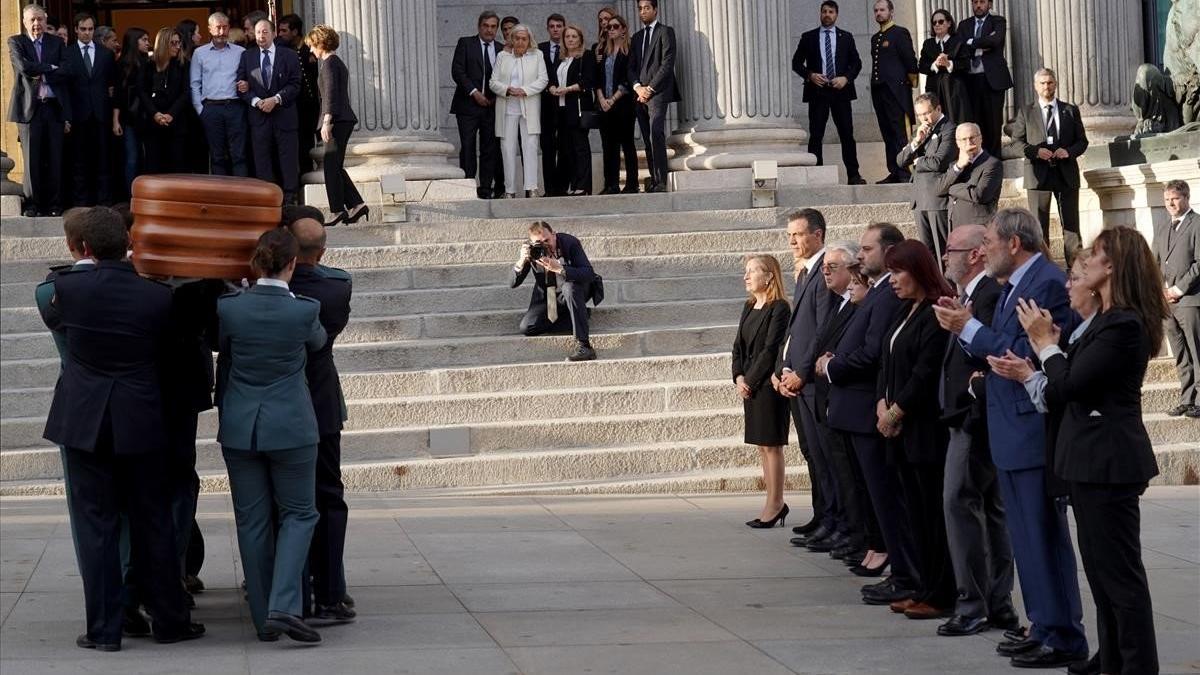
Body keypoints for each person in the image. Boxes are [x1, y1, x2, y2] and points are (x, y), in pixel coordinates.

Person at [41, 207, 204, 651]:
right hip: (141, 420)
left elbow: (54, 319)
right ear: (128, 244)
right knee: (153, 522)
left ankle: (104, 631)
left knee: (97, 529)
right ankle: (170, 620)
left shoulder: (66, 288)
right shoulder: (156, 297)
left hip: (85, 421)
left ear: (84, 249)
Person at [931, 208, 1088, 669]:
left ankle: (1062, 634)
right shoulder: (1015, 285)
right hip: (1010, 426)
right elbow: (1002, 344)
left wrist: (969, 328)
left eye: (992, 243)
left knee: (1042, 537)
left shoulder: (1042, 282)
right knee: (1025, 538)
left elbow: (1027, 350)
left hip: (1029, 428)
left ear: (1013, 243)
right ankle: (1042, 625)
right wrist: (969, 330)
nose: (987, 251)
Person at [1018, 228, 1167, 674]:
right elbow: (1072, 374)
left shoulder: (1123, 323)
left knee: (1120, 576)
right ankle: (1113, 657)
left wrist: (1046, 346)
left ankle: (1137, 666)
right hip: (1088, 458)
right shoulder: (1103, 319)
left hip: (1109, 459)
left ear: (1113, 266)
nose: (1084, 262)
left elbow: (1070, 385)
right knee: (1101, 574)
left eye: (1094, 256)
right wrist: (1050, 348)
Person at [216, 227, 325, 644]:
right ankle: (283, 604)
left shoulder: (230, 308)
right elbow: (316, 344)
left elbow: (225, 343)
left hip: (242, 426)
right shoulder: (304, 310)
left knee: (253, 521)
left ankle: (265, 620)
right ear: (293, 264)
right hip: (292, 425)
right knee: (299, 514)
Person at [817, 223, 920, 605]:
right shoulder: (877, 293)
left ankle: (904, 572)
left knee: (886, 497)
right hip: (859, 408)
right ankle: (898, 567)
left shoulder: (889, 295)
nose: (860, 257)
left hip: (868, 409)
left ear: (890, 251)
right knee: (873, 494)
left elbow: (875, 352)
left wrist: (833, 366)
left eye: (867, 249)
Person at [934, 224, 1016, 637]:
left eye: (951, 249)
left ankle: (972, 604)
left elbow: (992, 347)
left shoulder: (989, 294)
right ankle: (997, 603)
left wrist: (973, 386)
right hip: (972, 416)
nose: (944, 255)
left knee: (959, 503)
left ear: (975, 255)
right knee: (991, 510)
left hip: (975, 416)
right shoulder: (969, 295)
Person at [280, 207, 356, 624]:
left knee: (283, 501)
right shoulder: (337, 287)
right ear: (322, 252)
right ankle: (330, 590)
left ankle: (285, 586)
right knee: (328, 495)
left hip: (278, 403)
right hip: (321, 401)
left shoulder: (259, 292)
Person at [875, 240, 956, 620]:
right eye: (889, 272)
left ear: (919, 270)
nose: (892, 280)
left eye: (898, 272)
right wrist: (882, 404)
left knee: (931, 515)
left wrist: (896, 412)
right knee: (915, 516)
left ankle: (940, 592)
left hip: (923, 429)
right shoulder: (906, 310)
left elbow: (925, 372)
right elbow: (887, 362)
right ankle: (923, 585)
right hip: (899, 429)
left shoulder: (935, 311)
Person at [773, 210, 838, 549]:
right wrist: (784, 368)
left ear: (819, 235)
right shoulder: (803, 274)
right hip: (796, 379)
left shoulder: (825, 272)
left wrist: (801, 371)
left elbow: (823, 331)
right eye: (789, 236)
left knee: (825, 453)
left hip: (813, 382)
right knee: (811, 452)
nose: (792, 242)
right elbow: (796, 331)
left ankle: (834, 520)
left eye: (798, 235)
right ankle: (820, 515)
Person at [809, 244, 874, 572]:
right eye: (825, 266)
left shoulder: (862, 307)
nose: (828, 272)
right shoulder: (837, 302)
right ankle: (845, 527)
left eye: (835, 266)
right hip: (829, 398)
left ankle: (859, 534)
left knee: (853, 477)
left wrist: (832, 363)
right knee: (835, 470)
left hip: (850, 399)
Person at [1008, 68, 1090, 266]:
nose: (1047, 86)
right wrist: (1035, 152)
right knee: (1038, 228)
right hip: (1038, 176)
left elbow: (1082, 141)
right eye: (1043, 83)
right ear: (1036, 86)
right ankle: (1042, 270)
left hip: (1066, 174)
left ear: (1055, 84)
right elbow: (1016, 143)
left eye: (1050, 82)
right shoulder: (1026, 112)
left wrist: (1068, 152)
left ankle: (1076, 271)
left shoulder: (1070, 110)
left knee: (1071, 226)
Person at [734, 255, 792, 528]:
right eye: (745, 272)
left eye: (751, 272)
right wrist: (738, 377)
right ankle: (770, 502)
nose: (746, 277)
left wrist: (752, 380)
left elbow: (771, 349)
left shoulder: (779, 308)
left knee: (772, 446)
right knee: (762, 446)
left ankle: (776, 502)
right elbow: (738, 347)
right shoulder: (748, 306)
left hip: (767, 385)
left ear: (769, 276)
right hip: (750, 385)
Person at [8, 3, 72, 217]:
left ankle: (55, 205)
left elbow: (66, 70)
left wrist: (41, 71)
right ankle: (32, 205)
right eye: (32, 20)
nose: (37, 24)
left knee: (55, 159)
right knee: (32, 159)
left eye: (40, 19)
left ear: (46, 21)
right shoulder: (16, 41)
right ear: (25, 22)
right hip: (30, 109)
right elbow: (23, 67)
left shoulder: (56, 42)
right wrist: (49, 68)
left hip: (54, 108)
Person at [792, 1, 865, 185]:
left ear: (836, 15)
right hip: (818, 92)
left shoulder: (846, 37)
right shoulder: (808, 37)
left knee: (847, 134)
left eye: (830, 12)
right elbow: (796, 63)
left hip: (841, 92)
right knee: (816, 134)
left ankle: (853, 175)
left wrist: (845, 78)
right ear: (820, 14)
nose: (827, 14)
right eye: (824, 11)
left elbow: (857, 63)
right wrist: (810, 75)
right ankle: (817, 175)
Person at [307, 24, 368, 226]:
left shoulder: (330, 63)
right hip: (340, 120)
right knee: (335, 166)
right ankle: (356, 205)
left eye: (312, 45)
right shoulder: (334, 62)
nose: (310, 50)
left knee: (331, 167)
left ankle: (337, 210)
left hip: (336, 120)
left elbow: (331, 94)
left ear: (320, 43)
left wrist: (327, 121)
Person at [512, 221, 597, 361]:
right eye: (539, 242)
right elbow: (512, 284)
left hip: (575, 290)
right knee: (527, 327)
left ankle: (585, 346)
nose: (545, 245)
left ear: (554, 235)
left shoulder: (570, 243)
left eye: (547, 240)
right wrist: (521, 261)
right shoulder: (532, 251)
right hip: (550, 295)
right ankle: (578, 315)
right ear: (532, 243)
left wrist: (560, 269)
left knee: (570, 288)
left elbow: (588, 273)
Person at [237, 19, 302, 204]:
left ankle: (290, 199)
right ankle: (267, 200)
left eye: (265, 32)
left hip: (284, 116)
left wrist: (276, 99)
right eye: (257, 32)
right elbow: (241, 87)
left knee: (288, 160)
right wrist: (257, 102)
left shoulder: (289, 55)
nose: (261, 36)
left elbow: (296, 84)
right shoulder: (247, 57)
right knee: (262, 161)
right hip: (259, 118)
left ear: (273, 34)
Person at [1156, 180, 1200, 418]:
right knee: (1180, 353)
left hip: (1190, 299)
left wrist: (1178, 290)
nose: (1170, 204)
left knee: (1197, 350)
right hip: (1167, 304)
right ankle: (1187, 398)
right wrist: (1159, 292)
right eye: (1166, 200)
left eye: (1174, 198)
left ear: (1186, 197)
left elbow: (1199, 264)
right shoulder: (1163, 228)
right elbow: (1154, 263)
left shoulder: (1198, 224)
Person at [451, 12, 505, 200]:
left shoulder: (502, 49)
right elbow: (457, 71)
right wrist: (475, 92)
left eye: (493, 26)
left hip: (491, 106)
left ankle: (485, 188)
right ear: (479, 26)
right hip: (467, 105)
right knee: (468, 146)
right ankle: (468, 184)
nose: (489, 30)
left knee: (489, 147)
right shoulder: (465, 43)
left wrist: (497, 97)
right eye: (485, 26)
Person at [490, 24, 548, 199]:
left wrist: (524, 90)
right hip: (507, 108)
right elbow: (493, 82)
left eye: (524, 38)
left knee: (530, 147)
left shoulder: (537, 55)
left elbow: (543, 79)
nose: (520, 42)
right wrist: (508, 89)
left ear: (529, 40)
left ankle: (532, 188)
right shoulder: (502, 56)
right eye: (517, 38)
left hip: (528, 107)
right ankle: (510, 190)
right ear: (511, 40)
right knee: (507, 149)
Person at [896, 93, 956, 259]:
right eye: (920, 115)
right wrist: (916, 142)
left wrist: (917, 162)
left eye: (927, 113)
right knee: (927, 254)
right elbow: (900, 161)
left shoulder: (949, 128)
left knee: (942, 252)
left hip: (936, 199)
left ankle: (947, 285)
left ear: (938, 108)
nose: (924, 118)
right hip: (919, 199)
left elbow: (939, 162)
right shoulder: (920, 130)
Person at [629, 0, 679, 193]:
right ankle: (654, 178)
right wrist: (637, 88)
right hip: (639, 94)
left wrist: (649, 89)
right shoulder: (636, 37)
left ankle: (661, 180)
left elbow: (667, 63)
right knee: (646, 137)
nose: (643, 12)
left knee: (656, 132)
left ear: (655, 10)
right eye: (640, 9)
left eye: (647, 8)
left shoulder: (665, 32)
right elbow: (631, 67)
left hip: (657, 93)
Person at [65, 12, 113, 206]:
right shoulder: (67, 53)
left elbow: (111, 85)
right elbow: (65, 88)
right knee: (79, 162)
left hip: (101, 115)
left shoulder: (105, 54)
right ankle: (81, 204)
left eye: (90, 29)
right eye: (83, 29)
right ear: (75, 29)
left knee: (103, 161)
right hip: (78, 115)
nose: (87, 33)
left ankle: (103, 202)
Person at [190, 12, 247, 176]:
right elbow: (195, 83)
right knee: (217, 156)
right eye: (218, 28)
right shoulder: (199, 53)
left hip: (235, 107)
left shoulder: (240, 52)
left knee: (239, 155)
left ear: (229, 28)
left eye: (225, 27)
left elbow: (248, 77)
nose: (222, 32)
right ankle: (220, 197)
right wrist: (200, 110)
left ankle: (241, 196)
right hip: (211, 108)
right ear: (210, 29)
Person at [868, 0, 917, 184]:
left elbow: (910, 61)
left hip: (897, 91)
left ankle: (906, 171)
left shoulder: (899, 33)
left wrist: (909, 83)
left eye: (882, 10)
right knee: (887, 133)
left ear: (891, 12)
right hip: (880, 91)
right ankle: (894, 171)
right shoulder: (876, 38)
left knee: (900, 134)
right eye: (876, 11)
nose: (878, 13)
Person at [956, 0, 1012, 157]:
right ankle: (978, 158)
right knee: (974, 121)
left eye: (982, 2)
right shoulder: (964, 25)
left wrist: (971, 42)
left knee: (993, 122)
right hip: (970, 80)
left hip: (992, 80)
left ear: (990, 4)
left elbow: (996, 41)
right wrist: (981, 46)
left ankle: (995, 159)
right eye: (975, 2)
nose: (978, 5)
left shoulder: (998, 21)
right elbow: (960, 47)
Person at [549, 24, 595, 196]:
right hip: (560, 109)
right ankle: (573, 184)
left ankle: (584, 185)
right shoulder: (561, 59)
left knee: (580, 147)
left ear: (580, 39)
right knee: (566, 149)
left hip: (577, 108)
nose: (570, 39)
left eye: (574, 36)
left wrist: (567, 89)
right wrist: (552, 87)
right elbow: (552, 78)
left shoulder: (586, 56)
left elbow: (588, 81)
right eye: (567, 37)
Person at [594, 13, 637, 194]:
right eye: (608, 27)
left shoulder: (630, 50)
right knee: (608, 146)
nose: (610, 29)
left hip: (623, 104)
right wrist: (602, 99)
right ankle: (611, 184)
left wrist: (613, 98)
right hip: (604, 104)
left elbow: (629, 78)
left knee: (626, 144)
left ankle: (631, 183)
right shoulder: (603, 52)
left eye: (615, 26)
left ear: (623, 29)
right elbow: (597, 78)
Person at [140, 28, 190, 174]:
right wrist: (155, 114)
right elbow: (142, 91)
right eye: (173, 43)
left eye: (178, 43)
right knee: (154, 165)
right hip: (153, 121)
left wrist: (171, 114)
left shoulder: (183, 64)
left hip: (176, 120)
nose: (177, 46)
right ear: (163, 44)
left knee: (177, 164)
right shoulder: (148, 64)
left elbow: (186, 92)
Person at [937, 121, 1001, 228]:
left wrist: (951, 188)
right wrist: (959, 166)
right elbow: (940, 189)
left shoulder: (992, 164)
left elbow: (979, 195)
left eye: (972, 137)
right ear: (957, 143)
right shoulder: (955, 164)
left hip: (978, 228)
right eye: (964, 139)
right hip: (955, 227)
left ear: (980, 138)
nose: (969, 142)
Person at [278, 14, 320, 176]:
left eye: (284, 31)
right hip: (294, 106)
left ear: (295, 31)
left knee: (313, 144)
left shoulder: (309, 49)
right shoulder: (283, 50)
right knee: (299, 146)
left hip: (312, 106)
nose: (280, 34)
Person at [918, 9, 971, 125]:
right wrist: (934, 65)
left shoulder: (958, 41)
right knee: (936, 122)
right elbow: (921, 66)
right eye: (934, 22)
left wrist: (949, 64)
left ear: (949, 23)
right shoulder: (928, 44)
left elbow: (966, 64)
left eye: (941, 21)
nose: (937, 24)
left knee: (956, 121)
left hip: (954, 89)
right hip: (934, 89)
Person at [112, 28, 149, 195]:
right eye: (144, 39)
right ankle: (130, 196)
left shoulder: (148, 63)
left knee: (145, 158)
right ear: (135, 41)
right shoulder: (122, 64)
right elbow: (118, 95)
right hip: (129, 118)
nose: (147, 43)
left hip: (147, 116)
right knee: (131, 158)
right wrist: (116, 120)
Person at [539, 14, 566, 196]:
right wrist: (549, 87)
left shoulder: (571, 46)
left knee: (564, 147)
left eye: (558, 26)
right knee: (547, 148)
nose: (555, 29)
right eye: (552, 26)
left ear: (564, 27)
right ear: (547, 29)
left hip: (565, 105)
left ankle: (562, 187)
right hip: (545, 106)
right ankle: (549, 189)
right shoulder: (539, 49)